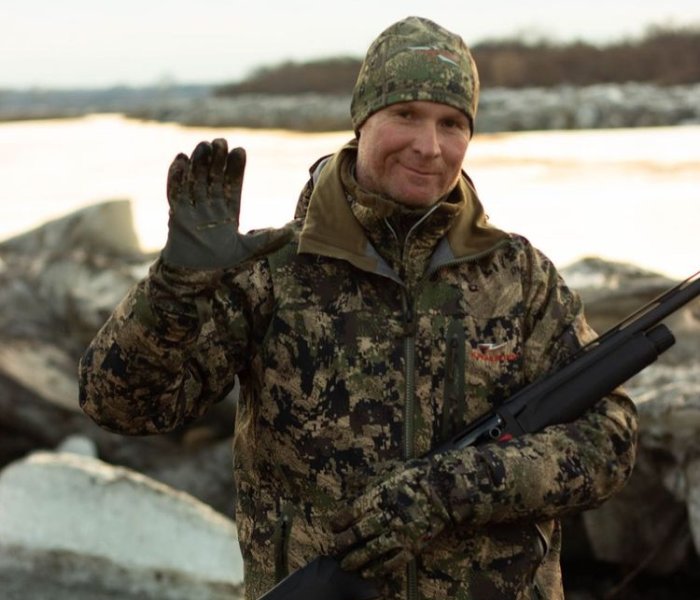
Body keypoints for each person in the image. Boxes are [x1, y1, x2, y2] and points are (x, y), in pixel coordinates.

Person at [79, 16, 638, 600]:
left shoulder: (518, 276)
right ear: (362, 119)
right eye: (406, 115)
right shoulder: (275, 271)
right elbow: (122, 407)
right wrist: (174, 288)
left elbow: (610, 439)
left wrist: (455, 488)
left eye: (451, 124)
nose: (429, 146)